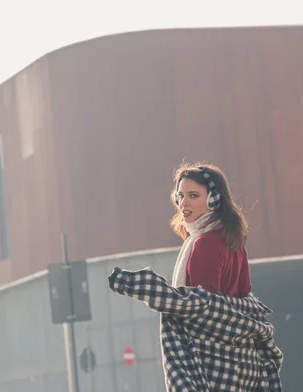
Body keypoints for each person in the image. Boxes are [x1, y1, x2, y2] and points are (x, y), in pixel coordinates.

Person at [108, 163, 283, 391]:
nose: (184, 203)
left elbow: (202, 307)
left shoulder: (204, 244)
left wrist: (145, 289)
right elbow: (244, 297)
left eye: (193, 195)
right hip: (243, 362)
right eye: (180, 196)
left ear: (213, 200)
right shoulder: (234, 242)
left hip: (212, 365)